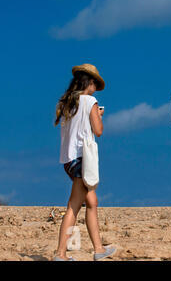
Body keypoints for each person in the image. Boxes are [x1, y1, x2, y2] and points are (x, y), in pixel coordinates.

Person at [53, 64, 116, 261]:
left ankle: (98, 250)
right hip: (82, 159)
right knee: (73, 206)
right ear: (89, 82)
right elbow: (98, 131)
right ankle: (61, 254)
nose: (96, 86)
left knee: (92, 202)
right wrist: (97, 115)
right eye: (95, 83)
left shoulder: (68, 103)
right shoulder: (90, 102)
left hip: (68, 160)